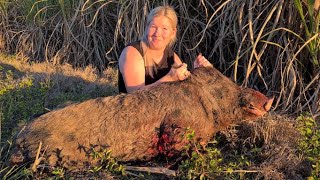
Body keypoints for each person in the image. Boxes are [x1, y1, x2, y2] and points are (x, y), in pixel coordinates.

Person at [118, 5, 212, 93]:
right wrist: (169, 78)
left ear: (173, 32)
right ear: (147, 27)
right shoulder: (132, 53)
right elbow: (134, 95)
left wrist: (198, 72)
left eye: (164, 29)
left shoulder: (173, 58)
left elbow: (185, 89)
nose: (157, 33)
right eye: (153, 27)